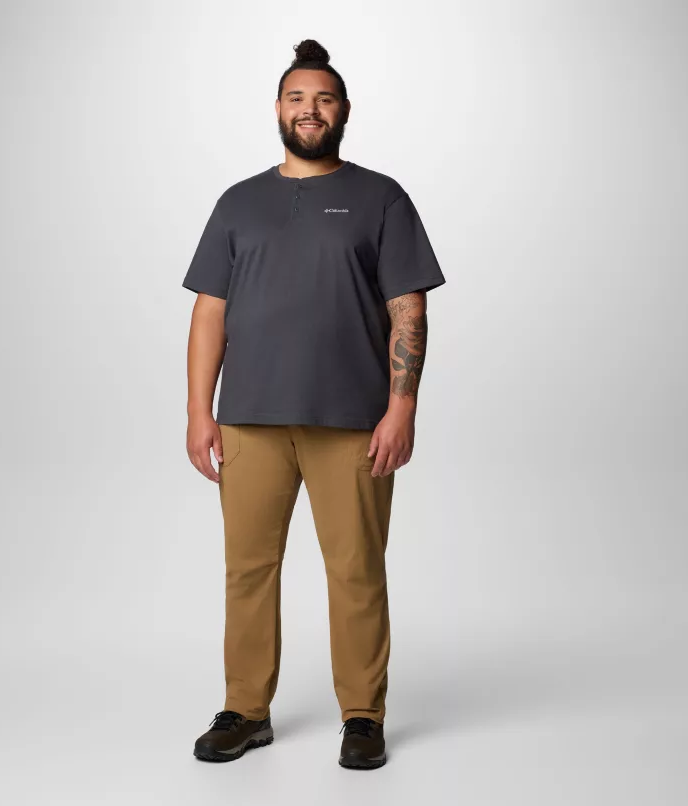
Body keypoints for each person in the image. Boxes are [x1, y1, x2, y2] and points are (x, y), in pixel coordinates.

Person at [183, 39, 446, 769]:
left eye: (323, 99)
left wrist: (402, 408)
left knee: (356, 569)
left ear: (344, 111)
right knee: (247, 569)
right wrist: (199, 410)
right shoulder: (238, 202)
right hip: (249, 419)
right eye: (297, 98)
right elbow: (209, 311)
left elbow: (409, 307)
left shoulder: (381, 197)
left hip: (353, 420)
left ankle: (362, 715)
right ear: (278, 109)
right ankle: (245, 709)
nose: (310, 110)